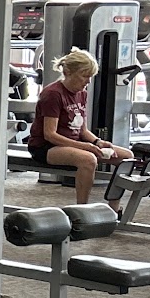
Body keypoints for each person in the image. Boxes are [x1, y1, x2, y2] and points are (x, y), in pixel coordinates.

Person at [28, 47, 133, 204]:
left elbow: (82, 130)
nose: (88, 81)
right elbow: (50, 135)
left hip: (72, 143)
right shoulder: (53, 94)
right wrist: (86, 147)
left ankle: (114, 209)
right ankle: (82, 209)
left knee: (127, 156)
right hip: (46, 147)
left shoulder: (82, 93)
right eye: (84, 76)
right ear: (68, 72)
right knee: (88, 159)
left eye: (90, 77)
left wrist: (97, 142)